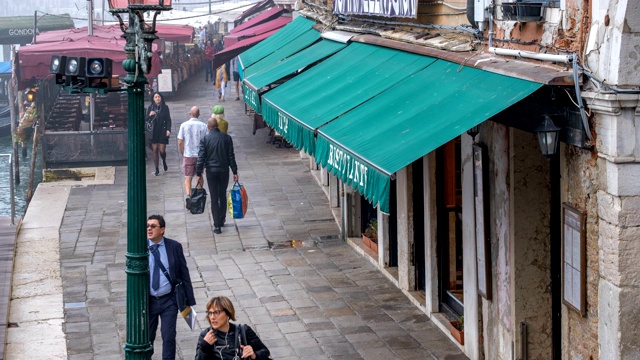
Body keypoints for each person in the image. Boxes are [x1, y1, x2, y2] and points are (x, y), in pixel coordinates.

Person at [147, 215, 196, 360]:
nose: (149, 228)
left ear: (162, 230)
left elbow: (183, 273)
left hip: (169, 300)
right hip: (149, 301)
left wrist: (189, 301)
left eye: (153, 226)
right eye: (148, 226)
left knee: (168, 337)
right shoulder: (140, 248)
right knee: (147, 338)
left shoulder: (174, 247)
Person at [196, 118, 238, 234]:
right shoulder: (227, 138)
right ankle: (222, 218)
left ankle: (216, 225)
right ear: (217, 126)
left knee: (214, 197)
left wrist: (198, 173)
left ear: (208, 127)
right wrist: (235, 171)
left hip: (211, 171)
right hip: (224, 170)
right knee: (222, 194)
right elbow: (231, 156)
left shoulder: (205, 139)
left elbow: (201, 157)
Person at [195, 296, 270, 360]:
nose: (212, 317)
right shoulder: (206, 335)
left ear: (228, 314)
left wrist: (254, 355)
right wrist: (204, 346)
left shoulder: (243, 330)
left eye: (216, 312)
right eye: (210, 313)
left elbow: (265, 352)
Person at [177, 106, 208, 209]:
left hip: (188, 154)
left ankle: (189, 196)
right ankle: (198, 195)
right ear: (198, 114)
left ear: (190, 113)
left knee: (188, 177)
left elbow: (180, 142)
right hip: (200, 155)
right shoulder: (204, 126)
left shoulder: (184, 125)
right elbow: (206, 142)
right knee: (199, 175)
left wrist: (183, 153)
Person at [146, 92, 172, 176]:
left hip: (162, 130)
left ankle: (163, 160)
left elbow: (168, 119)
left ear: (161, 98)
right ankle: (156, 168)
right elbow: (146, 119)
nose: (157, 98)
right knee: (155, 150)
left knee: (162, 150)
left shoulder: (165, 107)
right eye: (156, 97)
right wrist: (150, 115)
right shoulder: (150, 107)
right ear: (153, 99)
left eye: (159, 97)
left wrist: (168, 129)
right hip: (153, 131)